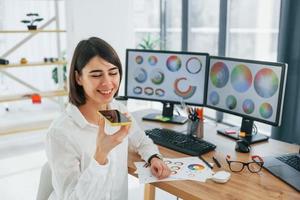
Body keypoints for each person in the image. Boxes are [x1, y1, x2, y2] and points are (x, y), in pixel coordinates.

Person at [46, 37, 171, 200]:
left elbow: (140, 141)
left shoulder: (116, 108)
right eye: (96, 75)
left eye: (113, 73)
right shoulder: (61, 133)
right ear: (78, 78)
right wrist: (101, 153)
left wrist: (153, 157)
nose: (108, 83)